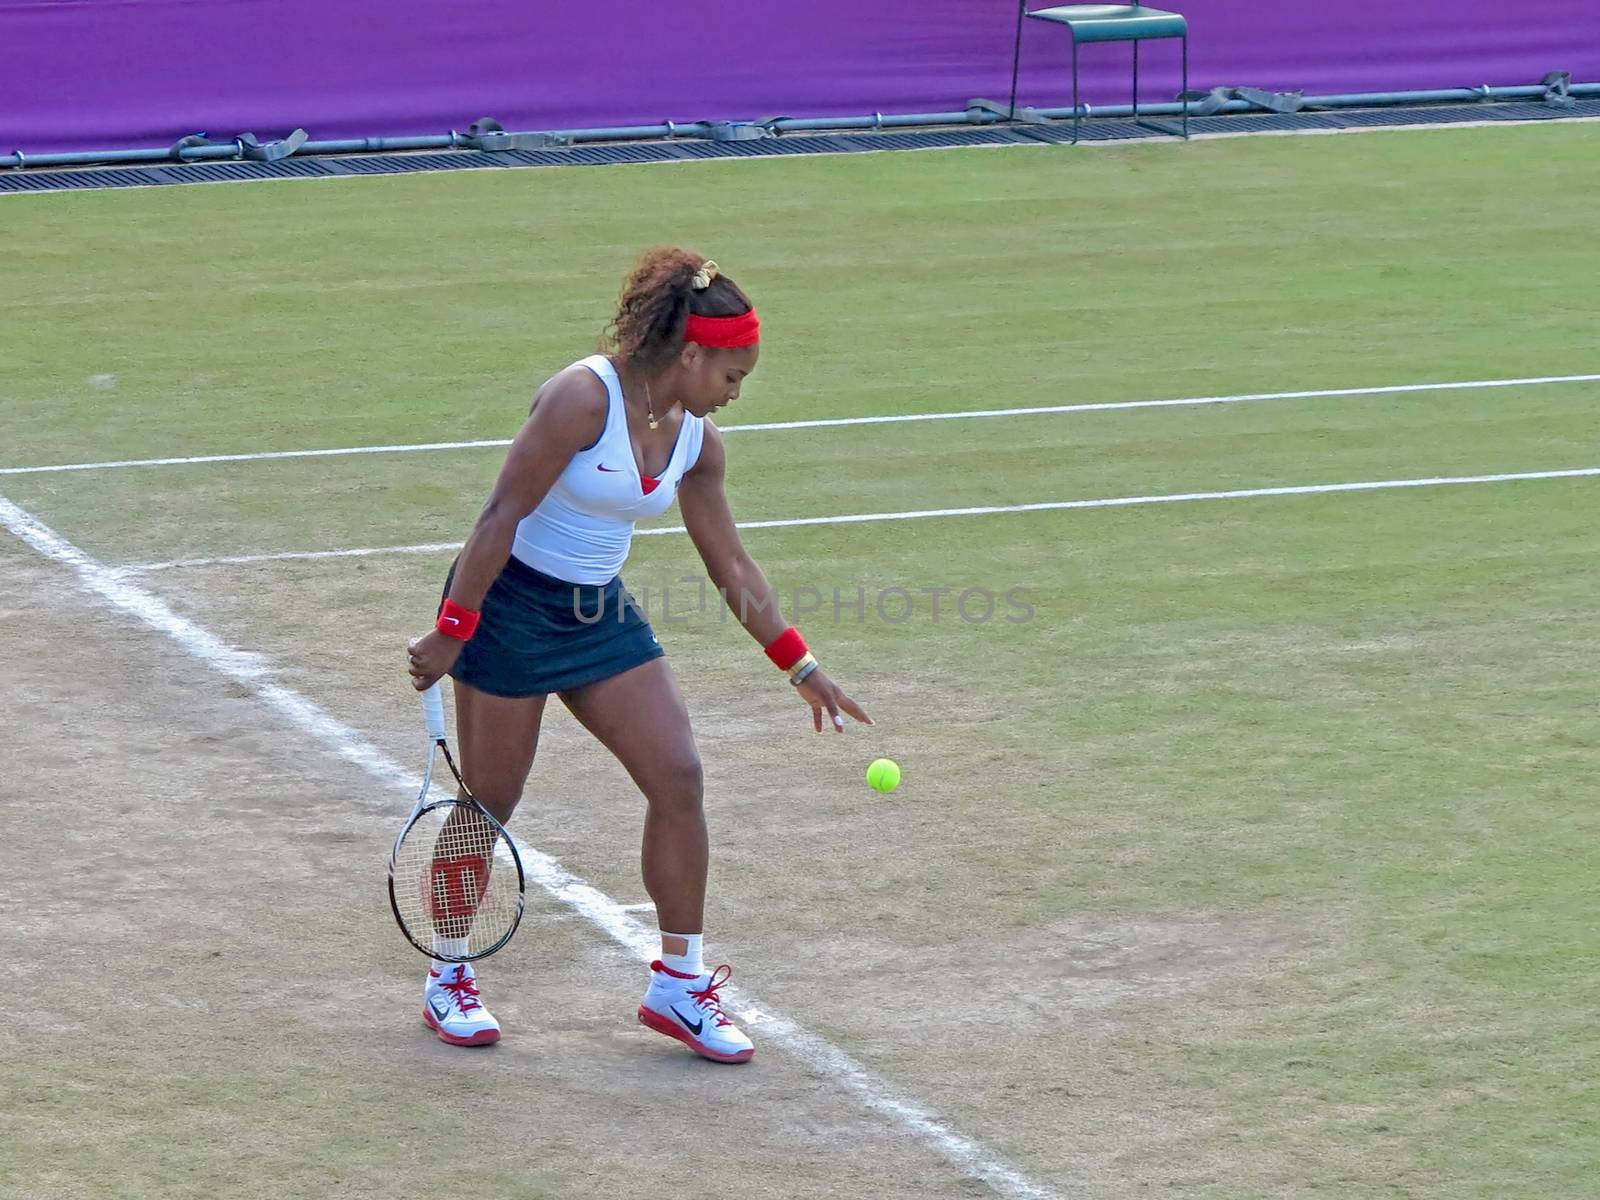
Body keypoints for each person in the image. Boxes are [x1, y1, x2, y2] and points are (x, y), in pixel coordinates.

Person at [406, 248, 872, 1062]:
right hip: (509, 606)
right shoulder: (581, 398)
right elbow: (498, 518)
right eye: (732, 376)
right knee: (490, 801)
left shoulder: (698, 442)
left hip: (595, 612)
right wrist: (454, 627)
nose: (736, 395)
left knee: (679, 775)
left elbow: (731, 565)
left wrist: (801, 666)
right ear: (690, 354)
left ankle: (679, 985)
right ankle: (449, 973)